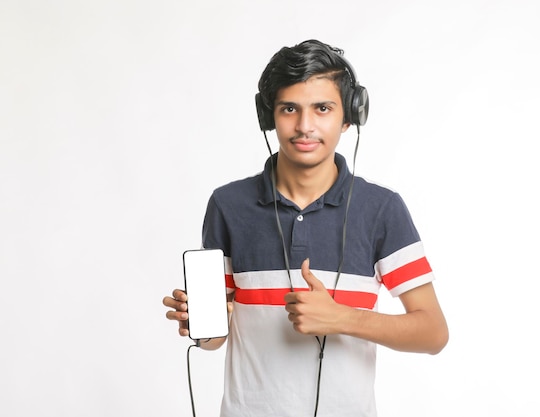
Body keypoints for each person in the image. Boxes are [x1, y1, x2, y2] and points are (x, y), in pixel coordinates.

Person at [163, 39, 448, 417]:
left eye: (323, 108)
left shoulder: (381, 209)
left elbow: (433, 333)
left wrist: (342, 318)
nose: (304, 126)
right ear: (269, 116)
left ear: (349, 117)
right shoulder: (228, 205)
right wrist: (199, 322)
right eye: (289, 109)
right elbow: (216, 338)